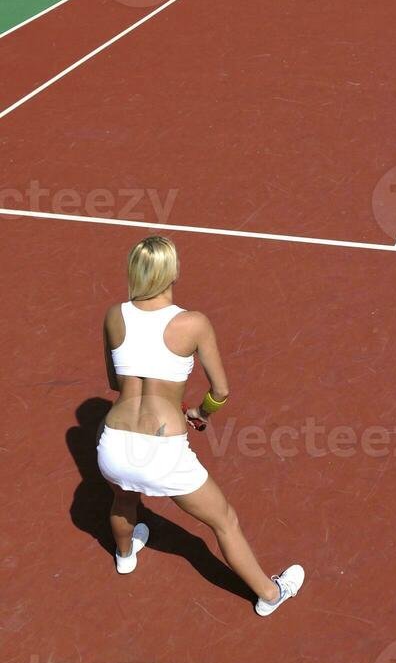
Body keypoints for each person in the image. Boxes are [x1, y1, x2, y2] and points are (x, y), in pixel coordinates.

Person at [96, 235, 304, 617]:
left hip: (114, 444)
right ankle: (270, 595)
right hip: (162, 452)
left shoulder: (114, 315)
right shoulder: (193, 323)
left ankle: (125, 556)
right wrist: (202, 412)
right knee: (224, 521)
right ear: (172, 271)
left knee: (123, 497)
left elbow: (117, 382)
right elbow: (221, 391)